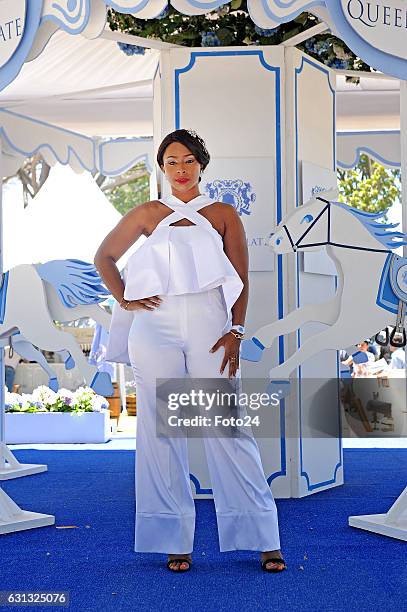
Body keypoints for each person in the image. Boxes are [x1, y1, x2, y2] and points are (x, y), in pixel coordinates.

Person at [95, 129, 285, 573]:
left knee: (227, 427)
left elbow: (240, 275)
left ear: (201, 164)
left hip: (210, 323)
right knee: (161, 433)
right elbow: (104, 256)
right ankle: (173, 537)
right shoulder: (146, 213)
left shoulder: (222, 213)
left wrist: (236, 329)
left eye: (188, 161)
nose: (180, 170)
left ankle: (263, 536)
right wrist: (125, 299)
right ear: (162, 168)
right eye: (171, 162)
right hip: (154, 326)